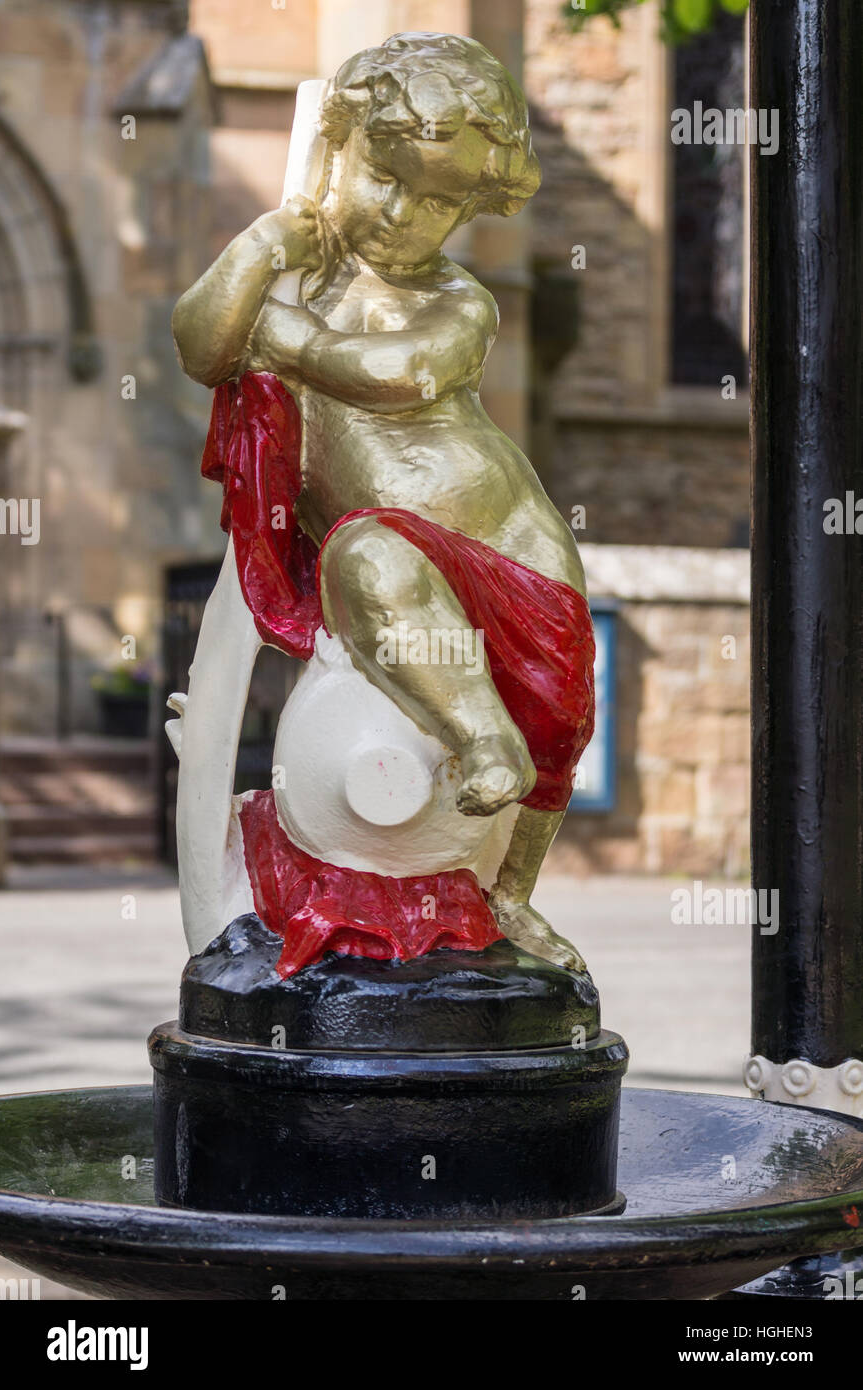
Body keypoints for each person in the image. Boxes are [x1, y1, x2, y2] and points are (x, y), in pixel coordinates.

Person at [172, 33, 594, 970]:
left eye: (441, 200)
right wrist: (259, 247)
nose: (403, 214)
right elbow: (201, 344)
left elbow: (399, 374)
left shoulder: (460, 300)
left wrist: (282, 340)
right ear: (337, 149)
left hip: (505, 548)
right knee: (366, 557)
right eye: (385, 177)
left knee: (555, 721)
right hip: (387, 552)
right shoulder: (289, 276)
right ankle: (482, 739)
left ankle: (509, 891)